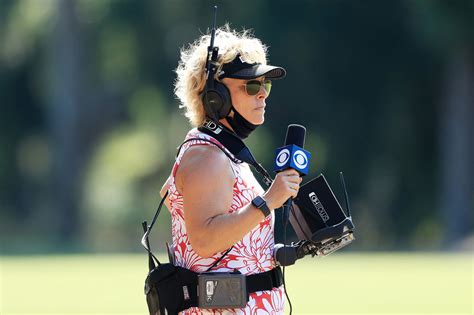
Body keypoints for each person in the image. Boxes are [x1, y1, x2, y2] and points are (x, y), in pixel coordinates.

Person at [160, 25, 302, 314]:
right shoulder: (208, 157)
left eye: (266, 85)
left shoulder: (216, 151)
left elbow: (170, 195)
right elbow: (204, 240)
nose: (262, 94)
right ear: (215, 96)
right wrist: (268, 203)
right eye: (251, 86)